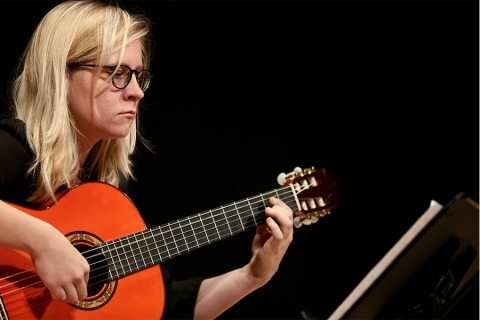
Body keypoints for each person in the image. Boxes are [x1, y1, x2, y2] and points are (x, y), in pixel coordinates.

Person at [0, 1, 294, 319]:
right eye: (117, 73)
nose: (137, 92)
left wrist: (253, 275)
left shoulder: (103, 191)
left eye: (139, 75)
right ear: (61, 73)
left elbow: (164, 306)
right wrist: (42, 241)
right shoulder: (16, 148)